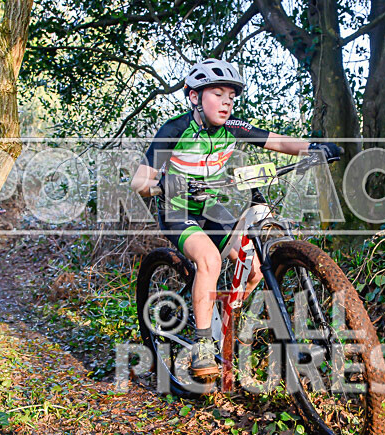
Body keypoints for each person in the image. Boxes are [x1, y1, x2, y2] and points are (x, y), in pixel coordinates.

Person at [131, 58, 342, 381]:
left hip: (210, 208)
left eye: (231, 95)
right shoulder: (174, 130)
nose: (227, 101)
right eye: (218, 93)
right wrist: (164, 184)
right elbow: (139, 182)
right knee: (210, 260)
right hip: (176, 210)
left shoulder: (233, 128)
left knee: (255, 265)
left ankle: (224, 320)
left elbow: (278, 142)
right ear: (193, 97)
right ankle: (202, 346)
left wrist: (315, 148)